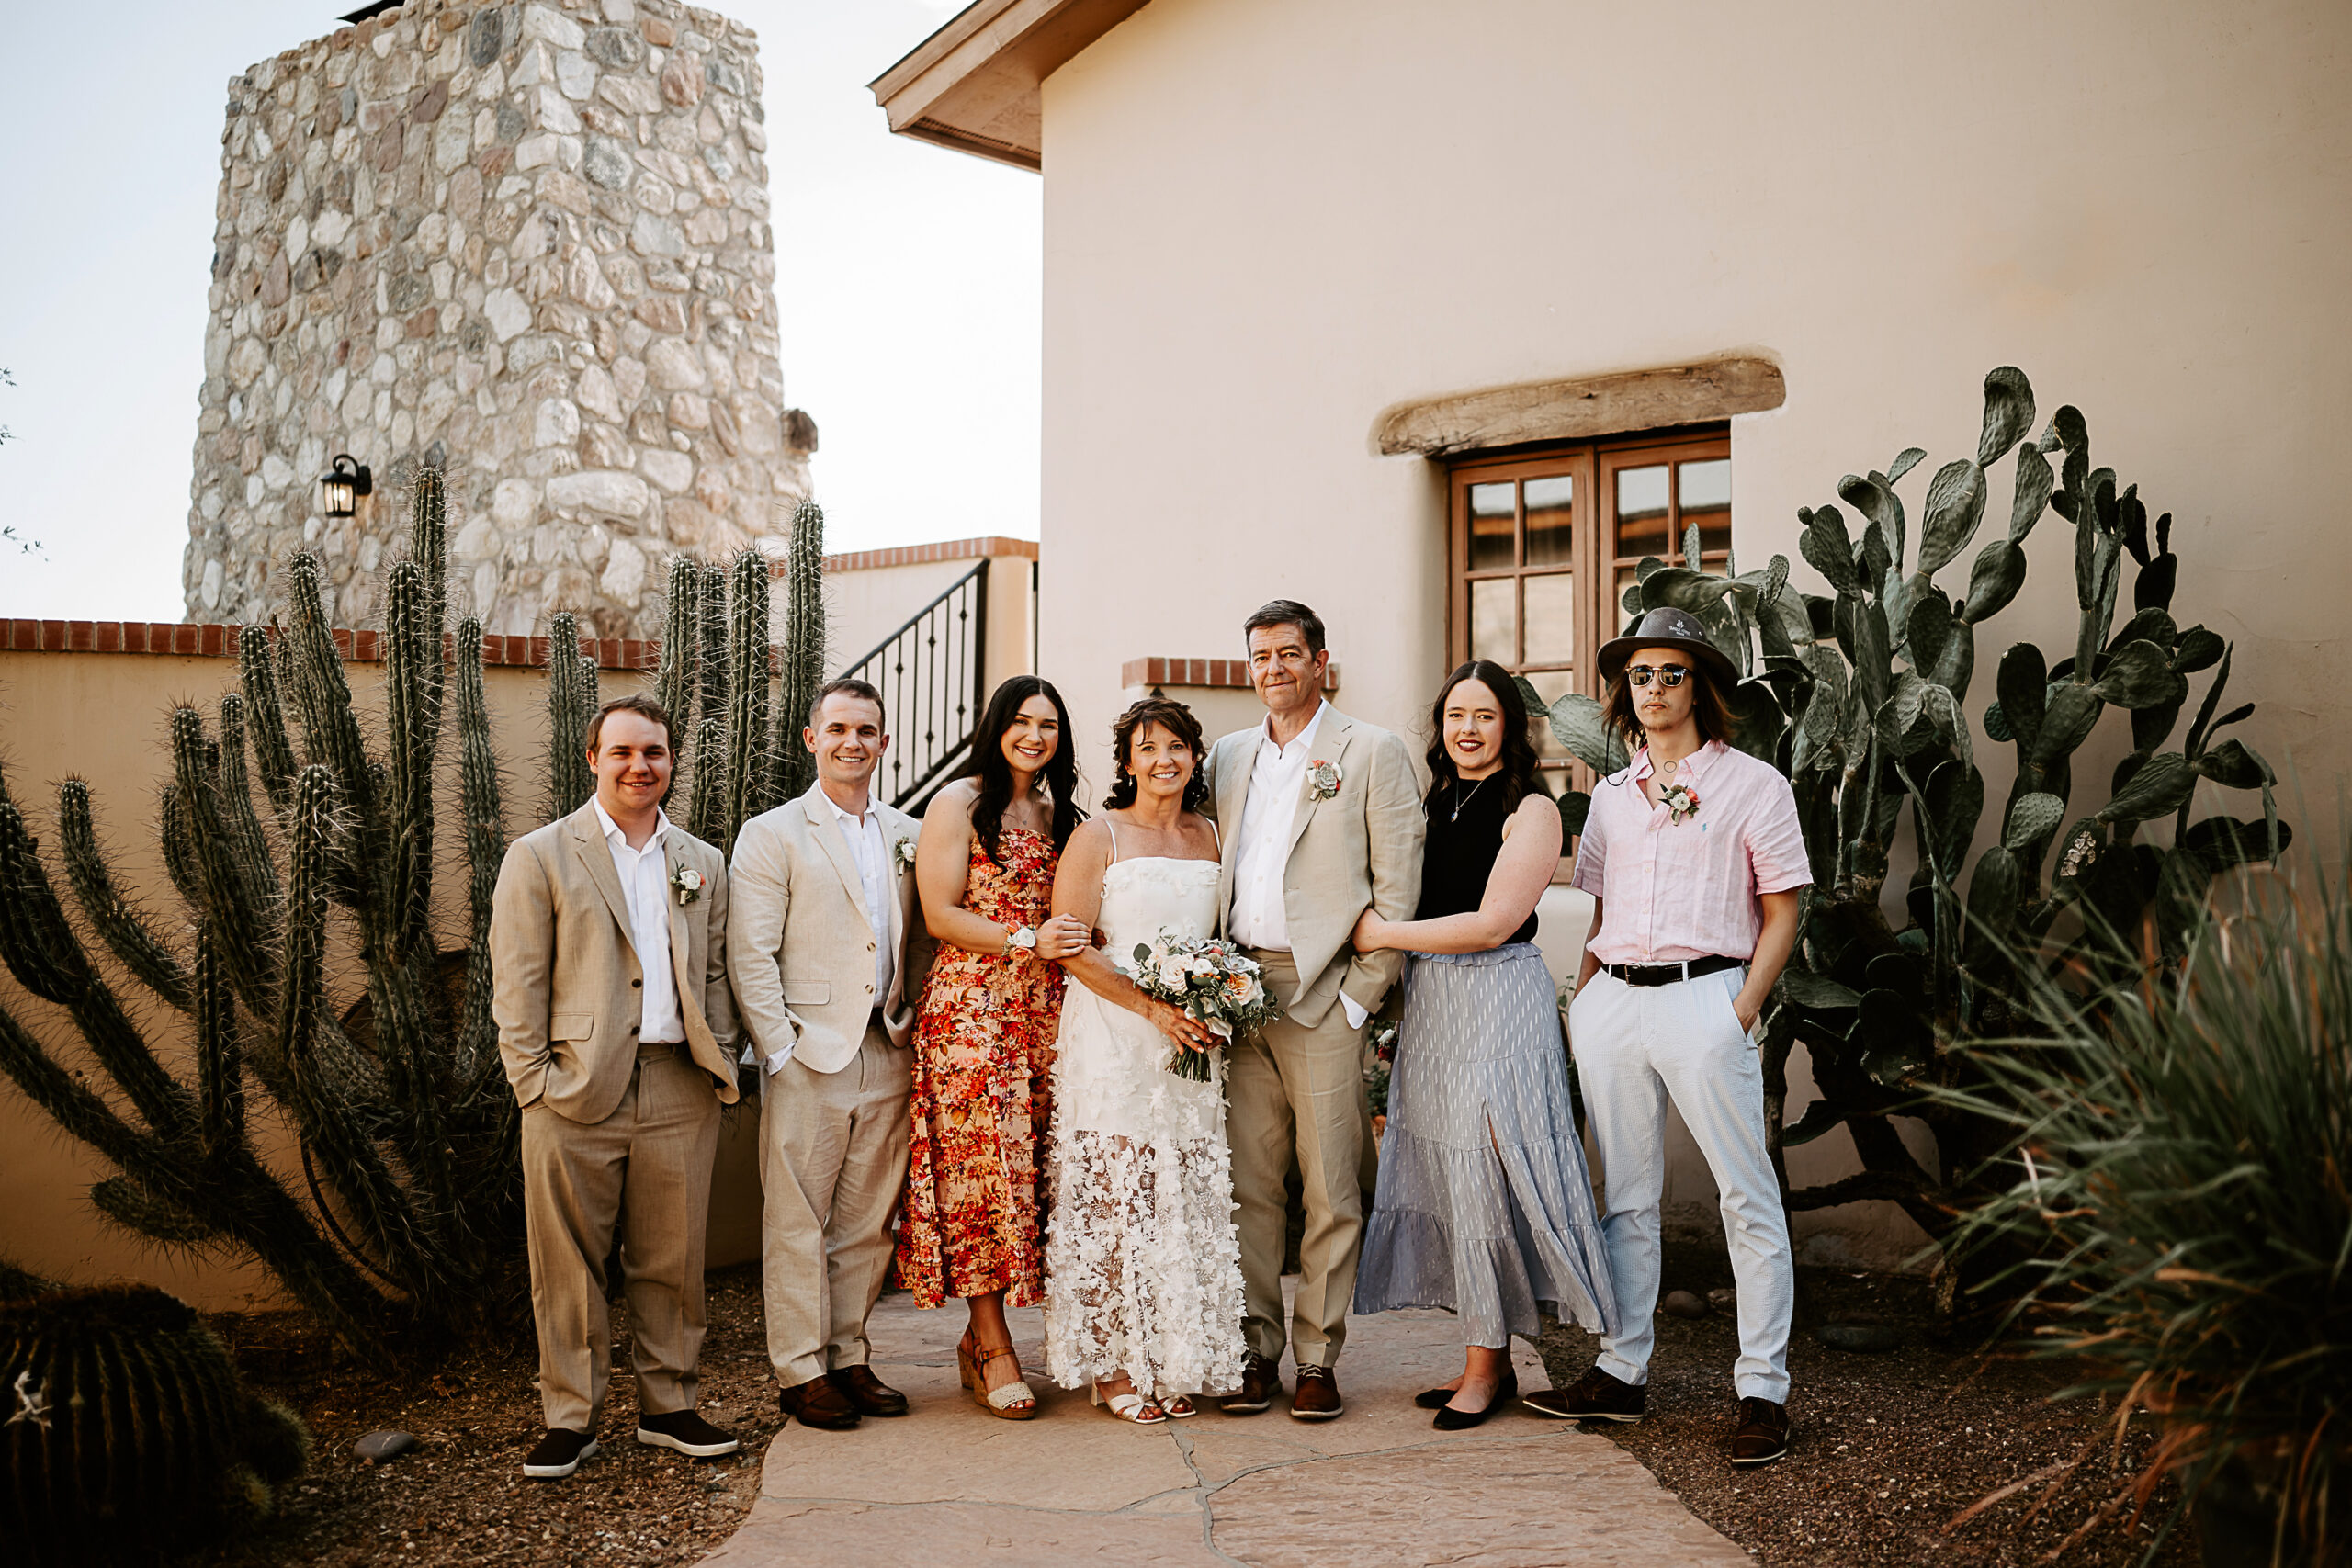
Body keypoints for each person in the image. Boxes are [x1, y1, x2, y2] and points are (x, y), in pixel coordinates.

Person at [1524, 606, 1808, 1469]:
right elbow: (1600, 906)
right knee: (1629, 1197)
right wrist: (1588, 998)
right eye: (1639, 675)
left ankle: (1763, 1389)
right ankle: (1622, 1369)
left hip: (1707, 998)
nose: (1653, 690)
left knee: (1744, 1196)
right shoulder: (1609, 795)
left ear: (1701, 686)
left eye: (1670, 674)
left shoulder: (1755, 785)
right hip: (1616, 1001)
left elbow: (1784, 905)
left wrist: (1742, 1007)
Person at [1350, 661, 1618, 1428]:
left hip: (1497, 993)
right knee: (1449, 1171)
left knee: (1486, 1165)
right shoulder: (1431, 800)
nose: (1467, 729)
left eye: (1485, 716)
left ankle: (1486, 1363)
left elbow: (1496, 920)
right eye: (1455, 715)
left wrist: (1381, 934)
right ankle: (1484, 1355)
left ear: (1512, 726)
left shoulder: (1531, 809)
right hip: (1433, 1001)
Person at [491, 694, 743, 1481]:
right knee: (567, 1262)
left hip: (678, 1086)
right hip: (573, 1092)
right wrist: (533, 1083)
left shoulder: (702, 859)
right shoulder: (539, 855)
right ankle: (572, 1416)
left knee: (673, 1257)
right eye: (625, 752)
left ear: (671, 761)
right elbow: (518, 983)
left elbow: (712, 970)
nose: (641, 766)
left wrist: (722, 1054)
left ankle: (669, 1405)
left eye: (656, 753)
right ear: (594, 758)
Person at [1200, 600, 1424, 1421]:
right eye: (1260, 656)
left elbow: (1399, 887)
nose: (1274, 669)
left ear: (1320, 660)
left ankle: (1319, 1357)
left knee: (1331, 1186)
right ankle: (1256, 1349)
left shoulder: (1370, 751)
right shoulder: (1226, 755)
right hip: (1235, 989)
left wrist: (1363, 1000)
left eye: (1289, 654)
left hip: (1325, 989)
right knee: (1250, 1183)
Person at [1040, 696, 1246, 1423]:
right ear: (1127, 761)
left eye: (1178, 746)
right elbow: (1071, 948)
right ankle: (1114, 1365)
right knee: (1113, 1192)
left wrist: (1218, 1000)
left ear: (1195, 757)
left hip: (1191, 1040)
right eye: (1148, 747)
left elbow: (1224, 937)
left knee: (1179, 1194)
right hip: (1113, 1033)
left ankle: (1176, 1355)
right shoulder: (1099, 836)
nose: (1164, 758)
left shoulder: (1214, 834)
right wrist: (1153, 1007)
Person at [893, 676, 1089, 1419]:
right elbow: (940, 913)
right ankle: (991, 1340)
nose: (1035, 735)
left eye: (1049, 724)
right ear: (997, 725)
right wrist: (1023, 938)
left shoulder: (1060, 813)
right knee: (979, 1173)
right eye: (1021, 721)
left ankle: (997, 1342)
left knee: (1035, 1171)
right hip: (973, 1008)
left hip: (1047, 1012)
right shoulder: (958, 802)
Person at [729, 679, 922, 1433]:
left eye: (866, 730)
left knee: (867, 1219)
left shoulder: (906, 829)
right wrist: (780, 1050)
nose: (853, 741)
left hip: (888, 1043)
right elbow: (750, 953)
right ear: (812, 739)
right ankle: (801, 1369)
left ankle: (849, 1354)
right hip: (809, 1053)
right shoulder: (772, 832)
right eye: (838, 728)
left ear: (882, 741)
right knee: (797, 1219)